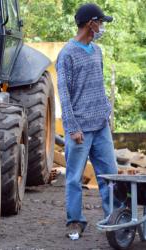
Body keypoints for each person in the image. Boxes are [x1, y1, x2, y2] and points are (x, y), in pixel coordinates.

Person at [56, 3, 117, 240]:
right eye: (100, 22)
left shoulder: (97, 51)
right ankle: (75, 222)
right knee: (73, 178)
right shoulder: (67, 54)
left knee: (110, 176)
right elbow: (64, 94)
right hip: (80, 129)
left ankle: (113, 218)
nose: (101, 27)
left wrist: (107, 114)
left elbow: (99, 87)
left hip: (101, 126)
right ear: (90, 23)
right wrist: (72, 128)